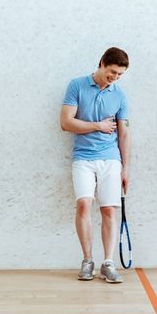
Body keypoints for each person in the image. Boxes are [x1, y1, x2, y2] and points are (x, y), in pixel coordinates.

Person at [60, 47, 131, 283]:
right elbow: (66, 123)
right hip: (83, 158)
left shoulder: (119, 95)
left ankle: (108, 263)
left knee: (109, 209)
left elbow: (124, 134)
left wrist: (125, 168)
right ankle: (87, 261)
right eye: (112, 72)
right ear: (101, 63)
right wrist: (98, 126)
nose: (115, 78)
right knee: (84, 205)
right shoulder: (76, 86)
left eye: (120, 74)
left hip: (111, 159)